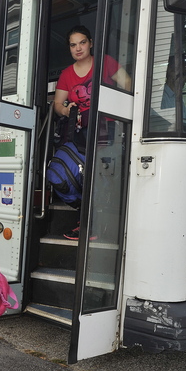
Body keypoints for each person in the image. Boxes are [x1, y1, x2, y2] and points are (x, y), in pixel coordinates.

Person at [52, 24, 131, 240]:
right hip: (78, 131)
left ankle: (95, 224)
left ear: (91, 43)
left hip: (107, 129)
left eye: (82, 43)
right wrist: (65, 109)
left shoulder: (104, 62)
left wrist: (109, 105)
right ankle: (85, 215)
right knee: (60, 173)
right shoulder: (67, 74)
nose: (78, 48)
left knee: (99, 177)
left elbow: (128, 84)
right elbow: (57, 104)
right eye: (73, 45)